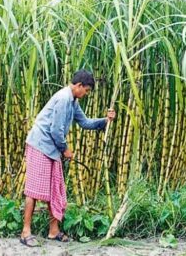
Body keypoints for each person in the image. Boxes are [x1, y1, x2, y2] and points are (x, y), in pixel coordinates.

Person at [19, 69, 116, 247]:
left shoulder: (73, 101)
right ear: (79, 86)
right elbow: (56, 129)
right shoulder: (64, 98)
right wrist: (65, 150)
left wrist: (105, 121)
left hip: (51, 148)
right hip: (40, 145)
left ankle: (53, 231)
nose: (86, 94)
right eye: (86, 90)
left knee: (54, 187)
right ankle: (25, 232)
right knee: (34, 190)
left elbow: (85, 122)